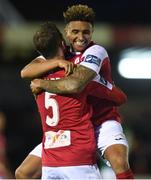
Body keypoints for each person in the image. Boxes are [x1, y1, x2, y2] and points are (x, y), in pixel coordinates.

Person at [16, 4, 134, 179]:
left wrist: (42, 83)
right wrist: (57, 63)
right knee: (24, 173)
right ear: (67, 32)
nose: (81, 37)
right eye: (75, 32)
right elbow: (26, 71)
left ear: (92, 32)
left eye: (86, 32)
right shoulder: (60, 54)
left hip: (101, 122)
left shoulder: (96, 51)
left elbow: (75, 85)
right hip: (72, 127)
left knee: (119, 161)